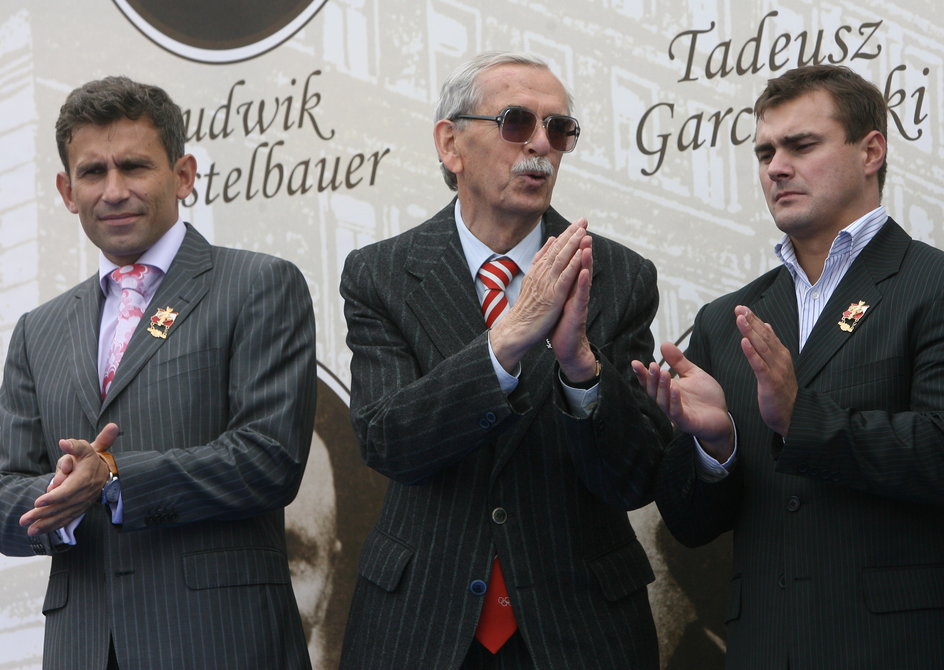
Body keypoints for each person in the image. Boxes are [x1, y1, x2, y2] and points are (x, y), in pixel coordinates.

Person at [338, 51, 671, 670]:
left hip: (579, 624)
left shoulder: (619, 275)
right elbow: (389, 441)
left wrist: (580, 371)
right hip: (422, 623)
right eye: (517, 122)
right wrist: (507, 341)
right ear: (451, 144)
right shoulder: (380, 274)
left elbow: (635, 478)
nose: (542, 145)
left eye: (560, 129)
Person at [632, 64, 944, 669]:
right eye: (765, 151)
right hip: (766, 648)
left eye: (801, 145)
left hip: (898, 648)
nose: (776, 166)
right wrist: (713, 449)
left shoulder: (931, 286)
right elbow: (690, 526)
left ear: (871, 150)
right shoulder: (728, 319)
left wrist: (802, 417)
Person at [0, 76, 317, 670]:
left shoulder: (259, 285)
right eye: (93, 173)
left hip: (222, 645)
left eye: (135, 167)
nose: (114, 191)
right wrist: (60, 498)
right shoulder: (36, 329)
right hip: (83, 650)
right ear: (67, 191)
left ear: (184, 174)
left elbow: (268, 460)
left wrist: (114, 477)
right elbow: (1, 497)